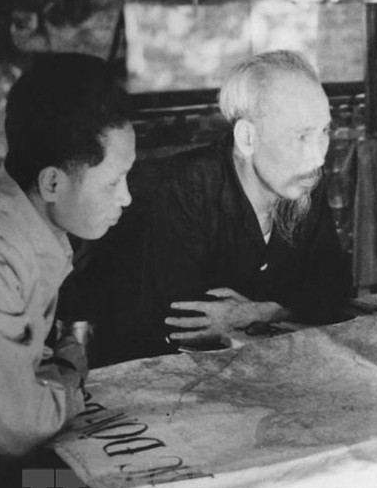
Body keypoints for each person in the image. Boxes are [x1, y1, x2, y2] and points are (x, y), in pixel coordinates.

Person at [108, 50, 352, 359]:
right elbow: (188, 321)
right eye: (301, 136)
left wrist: (262, 311)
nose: (318, 156)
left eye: (324, 132)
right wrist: (289, 305)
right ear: (248, 138)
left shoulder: (300, 181)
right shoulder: (188, 185)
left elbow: (335, 286)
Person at [0, 54, 135, 455]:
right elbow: (16, 426)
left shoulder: (27, 223)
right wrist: (69, 372)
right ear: (51, 183)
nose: (126, 197)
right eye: (113, 181)